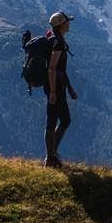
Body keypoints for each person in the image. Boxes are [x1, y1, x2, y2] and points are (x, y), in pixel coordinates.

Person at [43, 11, 78, 168]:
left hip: (55, 85)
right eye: (67, 22)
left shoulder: (52, 37)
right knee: (63, 120)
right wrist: (53, 92)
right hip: (55, 87)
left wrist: (69, 88)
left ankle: (51, 156)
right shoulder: (58, 43)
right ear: (61, 25)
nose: (69, 24)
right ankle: (51, 157)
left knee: (55, 120)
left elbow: (60, 70)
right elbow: (52, 68)